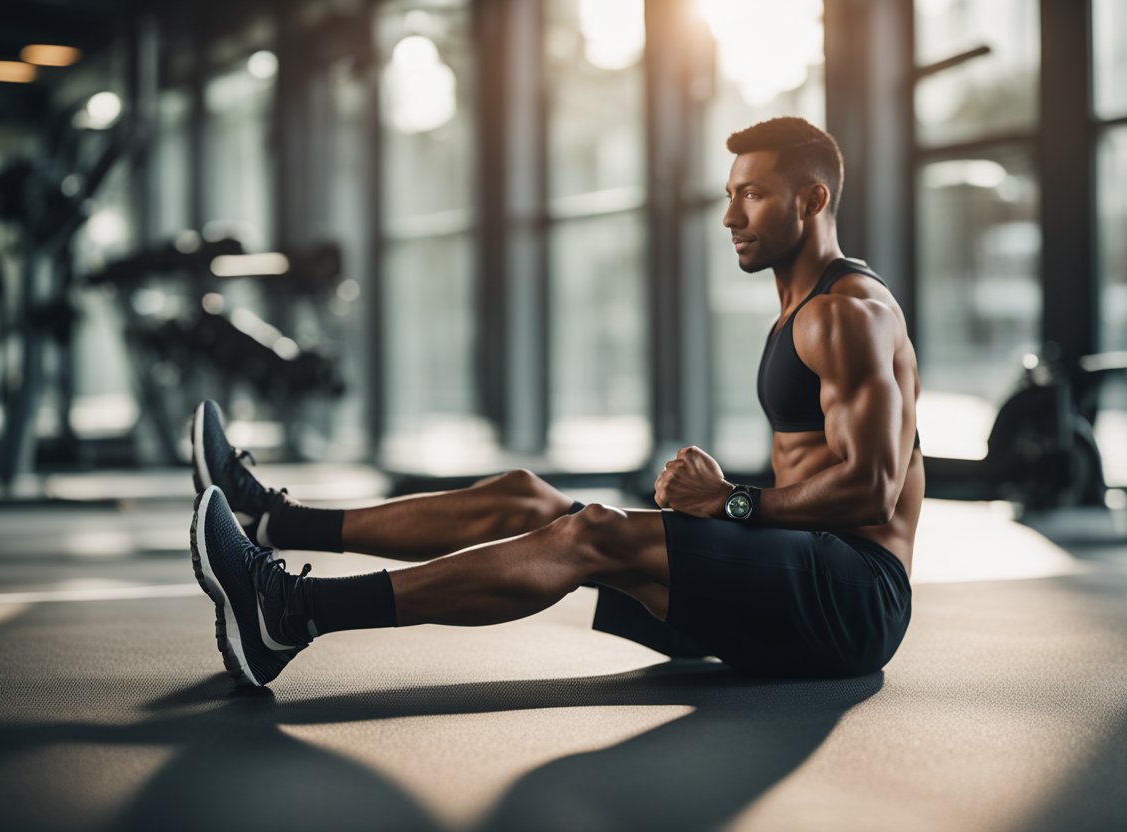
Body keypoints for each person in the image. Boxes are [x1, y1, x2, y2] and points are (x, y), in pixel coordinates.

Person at [188, 116, 921, 688]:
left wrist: (730, 502)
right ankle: (277, 520)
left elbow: (872, 490)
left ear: (814, 198)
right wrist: (731, 507)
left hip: (852, 601)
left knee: (590, 533)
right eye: (730, 194)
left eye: (752, 194)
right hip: (787, 577)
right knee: (526, 498)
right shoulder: (801, 312)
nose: (730, 215)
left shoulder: (848, 313)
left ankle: (291, 613)